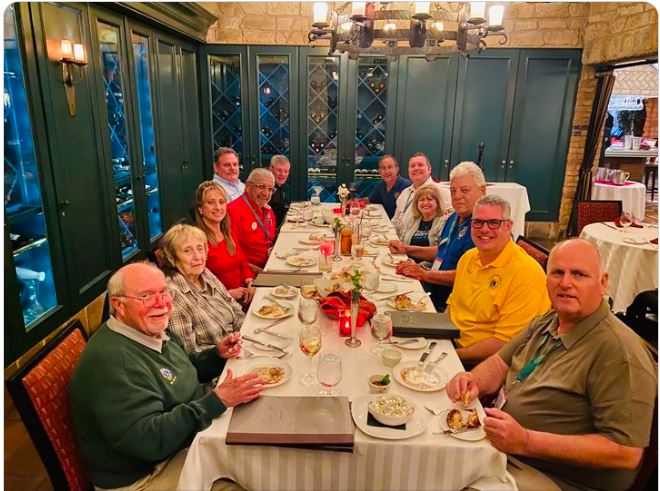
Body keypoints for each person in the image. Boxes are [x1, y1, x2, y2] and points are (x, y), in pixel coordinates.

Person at [446, 239, 657, 491]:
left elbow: (626, 452)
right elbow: (499, 363)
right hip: (509, 448)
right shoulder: (548, 320)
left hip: (555, 477)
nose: (565, 283)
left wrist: (525, 440)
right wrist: (473, 381)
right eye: (557, 272)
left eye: (579, 274)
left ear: (603, 283)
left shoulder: (620, 353)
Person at [70, 262, 262, 490]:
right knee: (249, 478)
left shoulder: (149, 330)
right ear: (118, 305)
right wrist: (215, 401)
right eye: (146, 296)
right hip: (144, 476)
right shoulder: (113, 362)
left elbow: (179, 371)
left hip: (178, 444)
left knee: (254, 453)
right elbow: (148, 440)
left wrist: (216, 356)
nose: (162, 303)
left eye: (164, 292)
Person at [446, 194, 551, 363]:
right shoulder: (468, 258)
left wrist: (452, 357)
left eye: (494, 223)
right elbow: (453, 307)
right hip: (450, 342)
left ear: (508, 226)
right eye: (478, 222)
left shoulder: (526, 274)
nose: (484, 229)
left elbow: (505, 345)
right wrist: (437, 336)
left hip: (482, 362)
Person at [390, 161, 486, 310]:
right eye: (453, 191)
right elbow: (442, 250)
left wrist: (424, 274)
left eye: (465, 190)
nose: (457, 196)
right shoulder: (454, 217)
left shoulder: (483, 229)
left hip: (447, 302)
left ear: (482, 191)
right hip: (431, 287)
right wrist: (406, 249)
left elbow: (470, 275)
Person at [161, 224, 246, 353]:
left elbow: (235, 308)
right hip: (218, 365)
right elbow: (190, 354)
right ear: (172, 258)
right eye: (187, 251)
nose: (197, 257)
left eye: (200, 249)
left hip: (240, 346)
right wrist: (227, 351)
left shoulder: (205, 273)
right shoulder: (173, 295)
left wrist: (244, 337)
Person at [194, 181, 255, 306]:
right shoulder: (196, 240)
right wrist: (227, 294)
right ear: (200, 209)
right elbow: (196, 288)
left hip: (244, 298)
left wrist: (250, 283)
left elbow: (242, 263)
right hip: (221, 305)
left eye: (222, 202)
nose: (218, 207)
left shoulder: (228, 231)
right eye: (211, 202)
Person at [227, 168, 277, 271]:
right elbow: (231, 255)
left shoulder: (268, 211)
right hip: (251, 272)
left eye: (270, 189)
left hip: (270, 263)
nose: (266, 193)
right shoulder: (233, 211)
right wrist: (261, 273)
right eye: (261, 187)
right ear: (248, 187)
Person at [392, 152, 451, 235]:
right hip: (399, 239)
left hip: (421, 244)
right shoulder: (405, 193)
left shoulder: (441, 191)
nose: (416, 168)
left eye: (420, 165)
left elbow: (452, 223)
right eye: (412, 166)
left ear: (429, 169)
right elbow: (395, 220)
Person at [398, 184, 446, 253]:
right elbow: (402, 241)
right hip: (407, 260)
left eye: (430, 199)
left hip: (430, 263)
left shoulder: (443, 222)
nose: (425, 203)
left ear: (437, 202)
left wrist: (422, 264)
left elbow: (442, 252)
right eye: (421, 200)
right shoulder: (413, 220)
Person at [367, 154, 411, 219]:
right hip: (384, 223)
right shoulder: (381, 185)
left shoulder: (406, 186)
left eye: (390, 167)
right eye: (383, 168)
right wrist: (355, 202)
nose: (386, 171)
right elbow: (371, 200)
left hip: (400, 226)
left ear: (397, 169)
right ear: (379, 171)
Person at [269, 154, 291, 228]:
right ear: (271, 169)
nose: (283, 174)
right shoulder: (267, 186)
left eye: (286, 171)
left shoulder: (279, 184)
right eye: (279, 170)